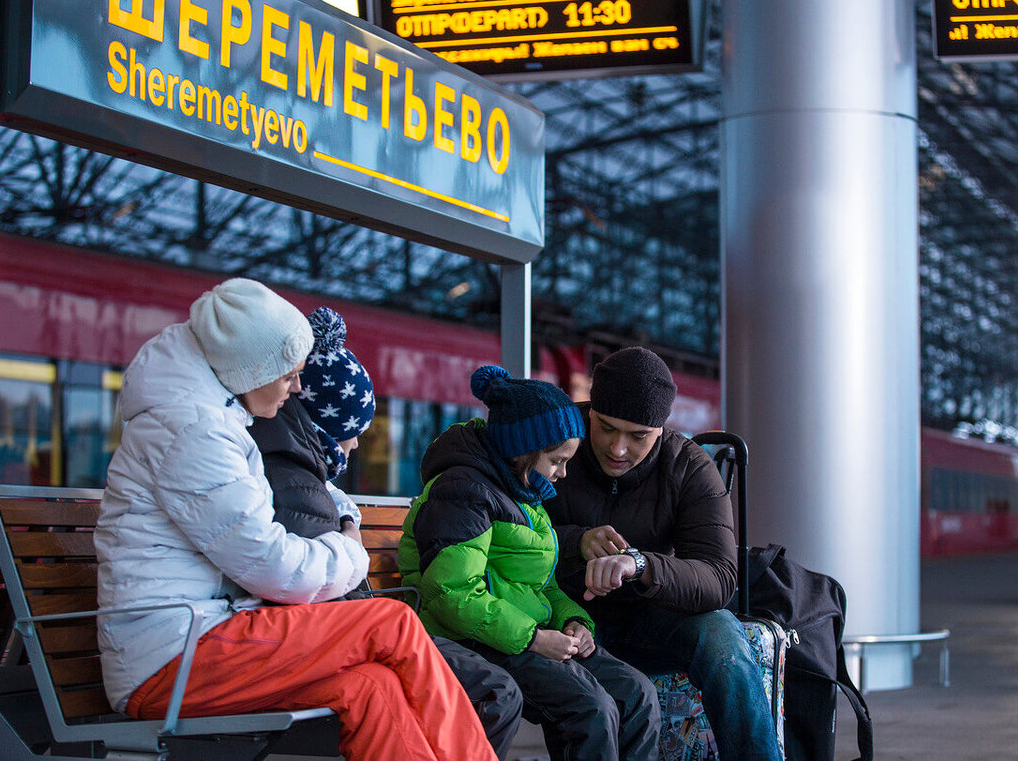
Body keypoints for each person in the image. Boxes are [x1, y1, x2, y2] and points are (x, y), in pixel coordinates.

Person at [94, 278, 495, 761]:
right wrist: (351, 550)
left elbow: (292, 516)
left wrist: (344, 521)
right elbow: (274, 567)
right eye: (289, 375)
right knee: (390, 622)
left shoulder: (207, 421)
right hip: (174, 661)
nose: (298, 387)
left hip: (194, 643)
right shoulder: (194, 431)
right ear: (250, 369)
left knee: (370, 686)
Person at [248, 305, 523, 759]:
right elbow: (325, 599)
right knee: (493, 690)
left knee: (489, 688)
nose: (357, 444)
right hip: (342, 639)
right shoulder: (296, 485)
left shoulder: (315, 489)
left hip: (347, 635)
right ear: (319, 427)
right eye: (350, 431)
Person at [399, 365, 660, 761]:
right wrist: (536, 639)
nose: (563, 473)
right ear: (522, 450)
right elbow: (451, 595)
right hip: (474, 638)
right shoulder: (463, 492)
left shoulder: (523, 493)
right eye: (557, 461)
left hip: (520, 631)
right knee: (592, 708)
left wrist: (573, 621)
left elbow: (541, 586)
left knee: (636, 693)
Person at [545, 346, 784, 761]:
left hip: (650, 618)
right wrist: (576, 542)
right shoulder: (556, 441)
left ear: (662, 428)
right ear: (590, 413)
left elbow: (719, 578)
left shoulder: (689, 466)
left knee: (723, 634)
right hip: (565, 614)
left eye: (638, 436)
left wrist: (641, 565)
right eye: (605, 428)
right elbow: (511, 531)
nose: (618, 449)